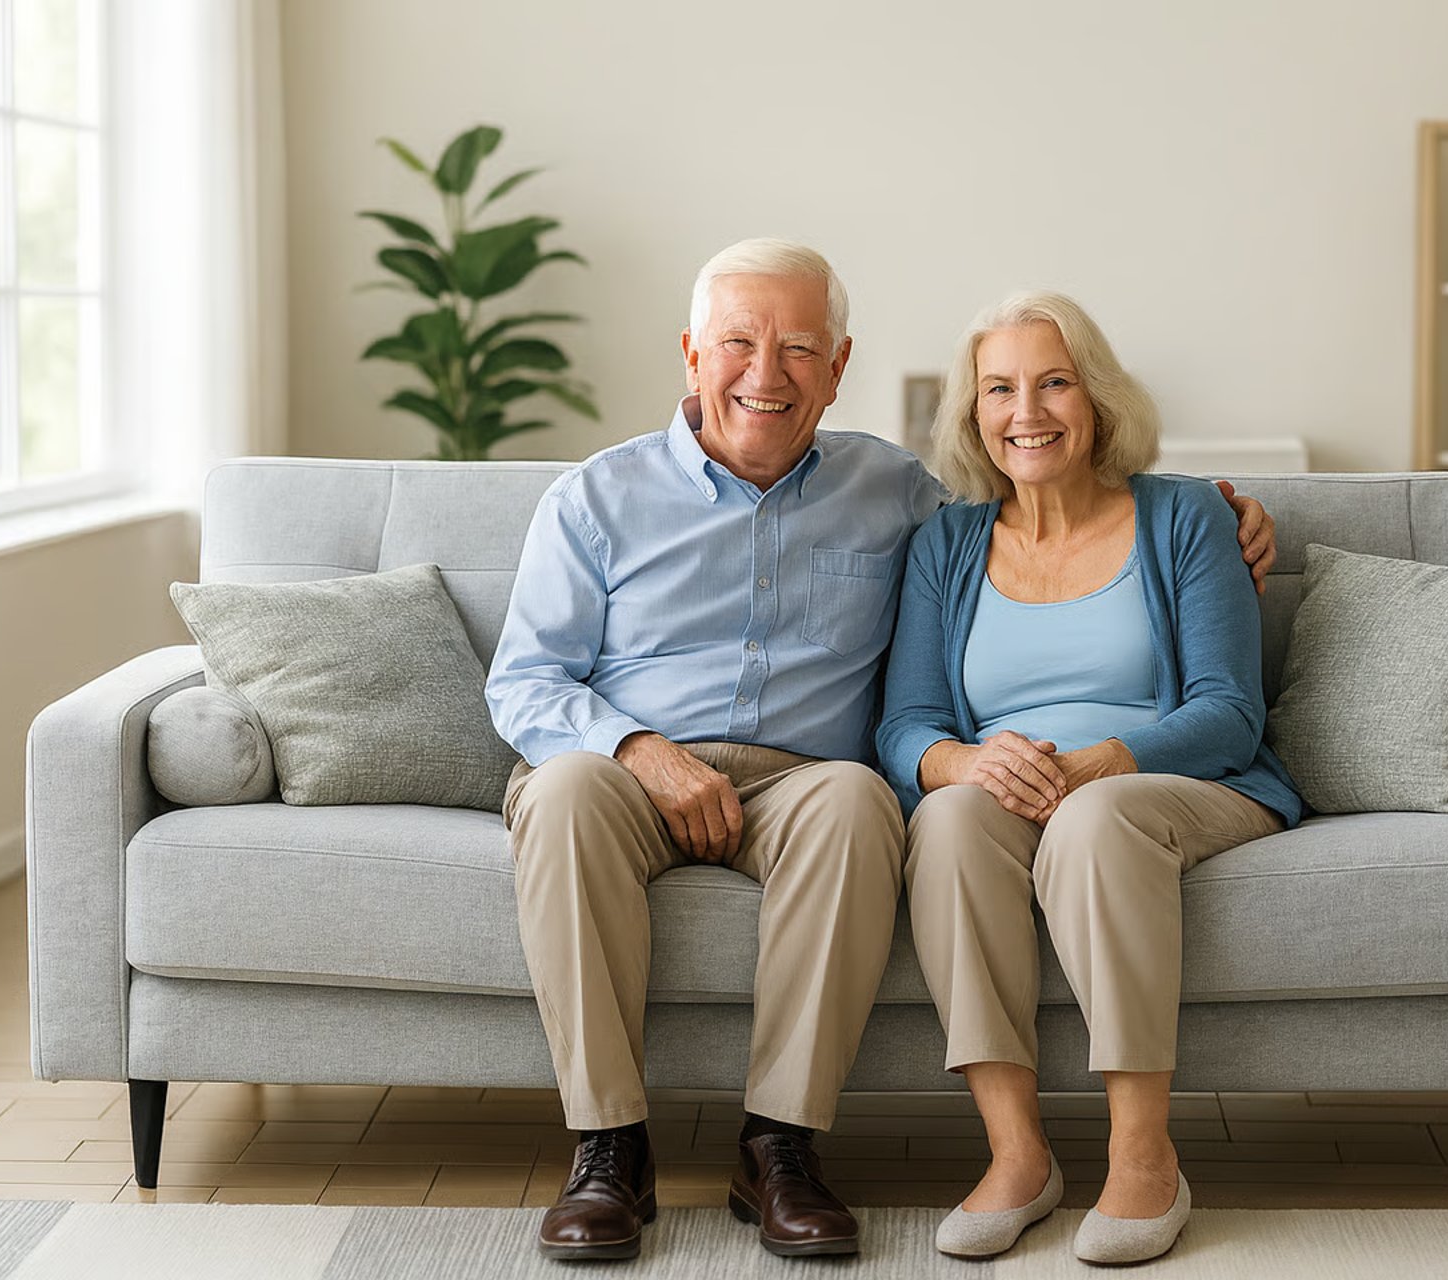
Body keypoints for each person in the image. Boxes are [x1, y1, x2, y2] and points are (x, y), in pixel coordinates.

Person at [485, 241, 1280, 1263]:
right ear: (691, 354)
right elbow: (524, 682)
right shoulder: (593, 499)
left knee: (860, 798)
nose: (764, 374)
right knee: (564, 795)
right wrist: (638, 747)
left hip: (803, 780)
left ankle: (779, 1146)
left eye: (798, 348)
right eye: (737, 343)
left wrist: (1234, 517)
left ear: (838, 365)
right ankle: (609, 1150)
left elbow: (1051, 526)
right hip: (625, 768)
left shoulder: (899, 493)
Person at [877, 291, 1304, 1266]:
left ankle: (1144, 1154)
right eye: (1001, 388)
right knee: (946, 820)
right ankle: (1018, 1155)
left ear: (1099, 398)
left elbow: (1230, 711)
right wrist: (965, 761)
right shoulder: (946, 543)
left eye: (1054, 381)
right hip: (1013, 789)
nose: (1028, 409)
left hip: (1172, 782)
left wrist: (1102, 762)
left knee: (1094, 819)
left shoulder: (1190, 515)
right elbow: (906, 724)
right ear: (974, 412)